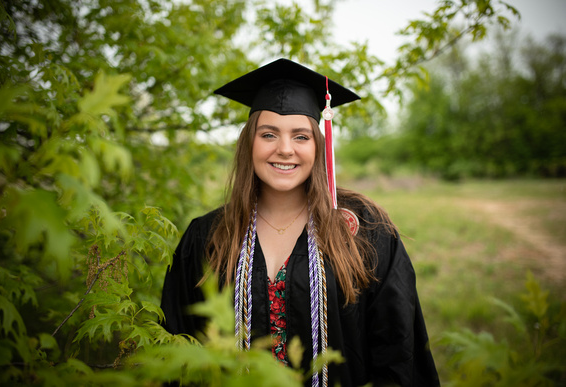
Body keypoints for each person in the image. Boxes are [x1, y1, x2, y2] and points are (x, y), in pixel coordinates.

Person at [160, 58, 440, 387]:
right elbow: (179, 348)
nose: (284, 149)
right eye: (269, 134)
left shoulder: (363, 230)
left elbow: (398, 349)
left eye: (301, 137)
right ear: (249, 143)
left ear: (319, 145)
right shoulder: (208, 236)